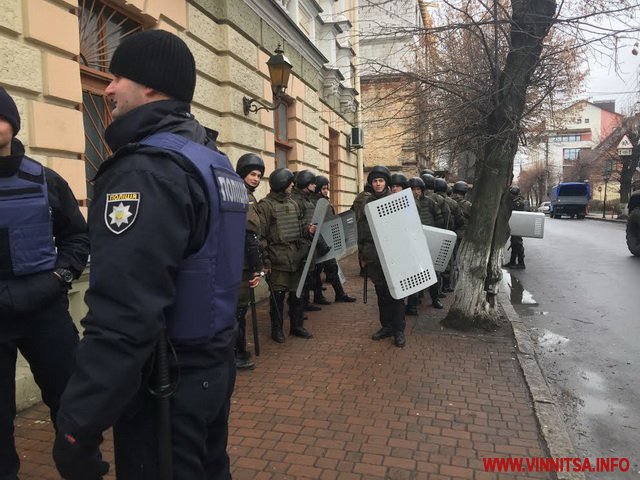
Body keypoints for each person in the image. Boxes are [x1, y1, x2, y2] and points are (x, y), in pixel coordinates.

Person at [52, 30, 246, 480]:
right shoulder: (213, 161)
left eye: (120, 76)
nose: (108, 87)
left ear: (153, 86)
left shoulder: (146, 170)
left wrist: (79, 425)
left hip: (167, 384)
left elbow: (124, 312)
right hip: (212, 368)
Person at [0, 87, 89, 480]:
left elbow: (78, 238)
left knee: (71, 400)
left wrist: (59, 278)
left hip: (44, 308)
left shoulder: (45, 179)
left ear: (13, 124)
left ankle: (83, 470)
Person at [258, 168, 316, 343]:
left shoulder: (293, 203)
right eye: (290, 183)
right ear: (282, 184)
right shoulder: (265, 206)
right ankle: (277, 329)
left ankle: (296, 326)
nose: (292, 185)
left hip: (296, 257)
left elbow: (300, 224)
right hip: (278, 259)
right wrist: (266, 261)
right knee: (278, 297)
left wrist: (308, 229)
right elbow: (261, 236)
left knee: (296, 295)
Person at [357, 165, 406, 348]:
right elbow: (361, 229)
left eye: (381, 181)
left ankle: (399, 330)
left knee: (396, 294)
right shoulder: (366, 203)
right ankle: (386, 326)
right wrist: (362, 253)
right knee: (381, 293)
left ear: (386, 183)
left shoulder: (395, 201)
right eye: (375, 181)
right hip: (373, 255)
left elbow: (405, 229)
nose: (378, 184)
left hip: (392, 254)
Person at [234, 153, 265, 371]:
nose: (255, 178)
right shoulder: (242, 195)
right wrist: (257, 267)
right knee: (237, 310)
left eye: (259, 176)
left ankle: (238, 350)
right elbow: (249, 234)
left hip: (241, 259)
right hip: (241, 261)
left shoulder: (246, 194)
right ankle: (236, 354)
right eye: (252, 174)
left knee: (239, 309)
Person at [313, 175, 356, 304]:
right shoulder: (316, 203)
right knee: (316, 271)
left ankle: (339, 294)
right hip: (320, 243)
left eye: (327, 188)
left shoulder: (325, 201)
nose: (326, 190)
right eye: (323, 188)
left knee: (331, 268)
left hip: (328, 241)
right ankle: (318, 296)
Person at [290, 170, 323, 312]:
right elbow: (296, 222)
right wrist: (307, 229)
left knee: (307, 277)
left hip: (308, 243)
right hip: (301, 244)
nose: (315, 186)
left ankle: (305, 303)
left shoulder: (307, 198)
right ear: (306, 184)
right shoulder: (297, 200)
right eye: (312, 183)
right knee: (300, 280)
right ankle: (298, 308)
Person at [504, 186, 526, 269]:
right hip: (515, 224)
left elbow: (515, 212)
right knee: (514, 243)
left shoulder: (518, 202)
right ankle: (512, 261)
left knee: (518, 243)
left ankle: (521, 263)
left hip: (518, 224)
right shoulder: (516, 200)